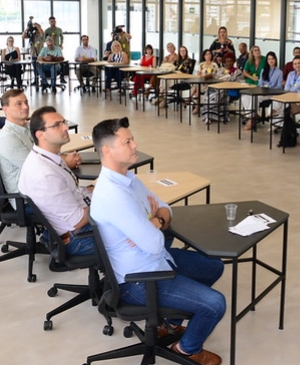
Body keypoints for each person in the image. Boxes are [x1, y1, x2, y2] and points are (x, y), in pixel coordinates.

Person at [89, 117, 225, 365]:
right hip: (139, 280)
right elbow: (153, 243)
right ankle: (186, 349)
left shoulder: (129, 179)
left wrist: (153, 223)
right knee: (215, 304)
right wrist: (152, 226)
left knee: (214, 266)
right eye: (127, 141)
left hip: (156, 258)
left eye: (132, 139)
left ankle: (168, 325)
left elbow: (165, 209)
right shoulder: (113, 194)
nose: (135, 145)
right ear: (107, 150)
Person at [18, 106, 95, 256]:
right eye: (57, 125)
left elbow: (72, 193)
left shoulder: (48, 157)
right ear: (41, 135)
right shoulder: (45, 174)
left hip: (74, 225)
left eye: (64, 122)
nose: (66, 127)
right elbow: (78, 220)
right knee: (143, 229)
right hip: (79, 238)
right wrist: (107, 200)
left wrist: (96, 189)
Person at [0, 90, 80, 207]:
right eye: (18, 104)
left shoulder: (28, 128)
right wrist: (66, 162)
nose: (25, 107)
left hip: (44, 187)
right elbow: (36, 168)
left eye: (26, 102)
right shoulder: (7, 138)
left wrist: (66, 157)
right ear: (5, 110)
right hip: (27, 199)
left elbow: (46, 153)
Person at [244, 51, 282, 132]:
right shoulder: (263, 70)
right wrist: (263, 87)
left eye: (272, 59)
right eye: (269, 59)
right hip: (262, 92)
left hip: (272, 93)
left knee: (256, 97)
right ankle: (253, 115)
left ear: (275, 60)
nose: (271, 61)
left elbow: (279, 87)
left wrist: (268, 87)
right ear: (267, 61)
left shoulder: (279, 72)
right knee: (245, 97)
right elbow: (260, 83)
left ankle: (252, 118)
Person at [200, 52, 242, 125]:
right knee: (208, 92)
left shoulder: (237, 71)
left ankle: (216, 116)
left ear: (234, 61)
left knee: (214, 97)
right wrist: (208, 76)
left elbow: (238, 83)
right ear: (224, 62)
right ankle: (208, 116)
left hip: (228, 90)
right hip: (217, 87)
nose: (228, 63)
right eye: (227, 61)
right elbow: (214, 75)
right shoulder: (221, 69)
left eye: (230, 61)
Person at [44, 16, 68, 83]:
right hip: (50, 48)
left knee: (61, 61)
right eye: (51, 21)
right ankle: (49, 77)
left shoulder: (59, 29)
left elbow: (62, 37)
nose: (53, 22)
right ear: (49, 22)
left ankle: (62, 77)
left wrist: (61, 44)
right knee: (50, 61)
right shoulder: (47, 30)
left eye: (54, 21)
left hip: (57, 47)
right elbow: (44, 39)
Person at [22, 17, 44, 86]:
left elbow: (42, 33)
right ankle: (36, 80)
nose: (36, 30)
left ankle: (43, 80)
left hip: (40, 55)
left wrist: (37, 25)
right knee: (35, 69)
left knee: (40, 69)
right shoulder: (32, 35)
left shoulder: (41, 36)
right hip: (33, 54)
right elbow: (23, 36)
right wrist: (27, 28)